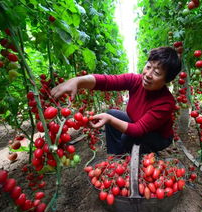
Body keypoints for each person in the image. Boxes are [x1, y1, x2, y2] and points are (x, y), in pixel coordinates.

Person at [51, 47, 182, 154]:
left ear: (167, 80)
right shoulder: (135, 81)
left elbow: (138, 130)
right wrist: (78, 81)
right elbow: (106, 81)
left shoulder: (166, 102)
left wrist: (108, 119)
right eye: (148, 67)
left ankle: (130, 155)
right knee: (113, 114)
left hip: (158, 137)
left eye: (157, 73)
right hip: (137, 123)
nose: (148, 74)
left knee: (127, 136)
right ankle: (115, 157)